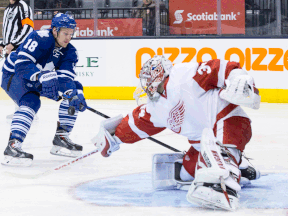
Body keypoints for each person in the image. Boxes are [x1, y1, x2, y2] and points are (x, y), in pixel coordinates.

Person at [93, 55, 261, 210]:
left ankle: (226, 179)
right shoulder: (155, 107)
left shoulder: (183, 75)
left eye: (147, 79)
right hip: (202, 143)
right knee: (185, 173)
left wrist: (239, 78)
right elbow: (134, 124)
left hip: (228, 120)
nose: (145, 85)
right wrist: (112, 136)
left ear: (159, 73)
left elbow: (220, 68)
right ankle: (239, 168)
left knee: (221, 157)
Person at [1, 13, 87, 167]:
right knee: (31, 100)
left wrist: (73, 94)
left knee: (75, 89)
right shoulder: (39, 37)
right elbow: (21, 65)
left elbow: (66, 79)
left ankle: (61, 137)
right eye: (65, 33)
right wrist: (41, 76)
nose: (68, 37)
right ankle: (13, 146)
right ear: (55, 30)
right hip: (14, 74)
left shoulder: (70, 52)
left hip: (38, 77)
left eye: (71, 33)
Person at [0, 0, 34, 119]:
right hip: (10, 49)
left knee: (21, 79)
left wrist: (13, 44)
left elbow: (28, 28)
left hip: (20, 49)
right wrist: (3, 44)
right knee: (12, 80)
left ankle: (27, 109)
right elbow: (6, 30)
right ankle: (19, 108)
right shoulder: (8, 8)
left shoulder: (23, 6)